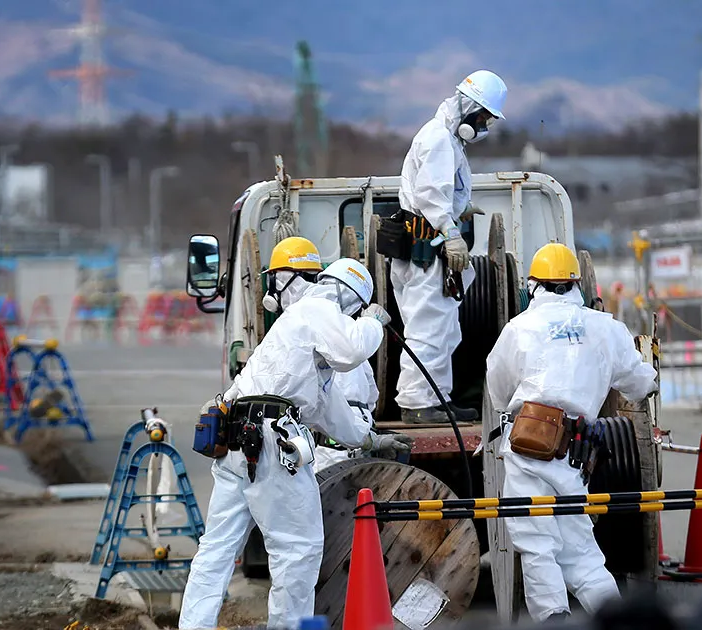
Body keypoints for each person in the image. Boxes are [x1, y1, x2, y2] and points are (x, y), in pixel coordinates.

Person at [179, 258, 412, 630]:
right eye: (353, 310)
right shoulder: (317, 308)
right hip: (271, 443)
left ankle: (194, 626)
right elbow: (352, 351)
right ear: (348, 298)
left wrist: (370, 439)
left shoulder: (294, 333)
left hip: (238, 445)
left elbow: (329, 409)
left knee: (218, 548)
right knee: (297, 551)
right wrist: (372, 323)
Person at [485, 243, 658, 622]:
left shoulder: (519, 328)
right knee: (580, 550)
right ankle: (617, 620)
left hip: (529, 444)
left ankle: (552, 619)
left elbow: (497, 386)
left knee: (536, 543)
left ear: (534, 285)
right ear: (576, 284)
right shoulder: (606, 327)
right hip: (575, 451)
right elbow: (640, 383)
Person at [392, 69, 508, 425]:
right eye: (484, 117)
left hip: (431, 246)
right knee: (428, 329)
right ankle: (416, 404)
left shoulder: (448, 139)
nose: (485, 125)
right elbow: (430, 194)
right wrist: (450, 229)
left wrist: (460, 208)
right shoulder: (439, 139)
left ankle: (436, 400)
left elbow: (441, 191)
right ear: (469, 108)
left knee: (444, 329)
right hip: (427, 247)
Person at [257, 237, 381, 471]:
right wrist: (373, 324)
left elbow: (330, 398)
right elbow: (353, 360)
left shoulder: (307, 323)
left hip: (299, 445)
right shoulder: (319, 319)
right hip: (303, 445)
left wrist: (365, 439)